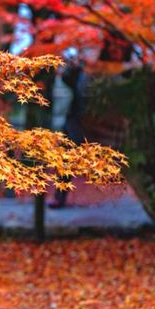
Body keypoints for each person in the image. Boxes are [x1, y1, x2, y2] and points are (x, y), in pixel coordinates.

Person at [49, 48, 89, 209]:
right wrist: (74, 64)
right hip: (75, 119)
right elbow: (66, 77)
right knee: (66, 157)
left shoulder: (95, 74)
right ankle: (60, 196)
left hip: (91, 119)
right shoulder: (77, 74)